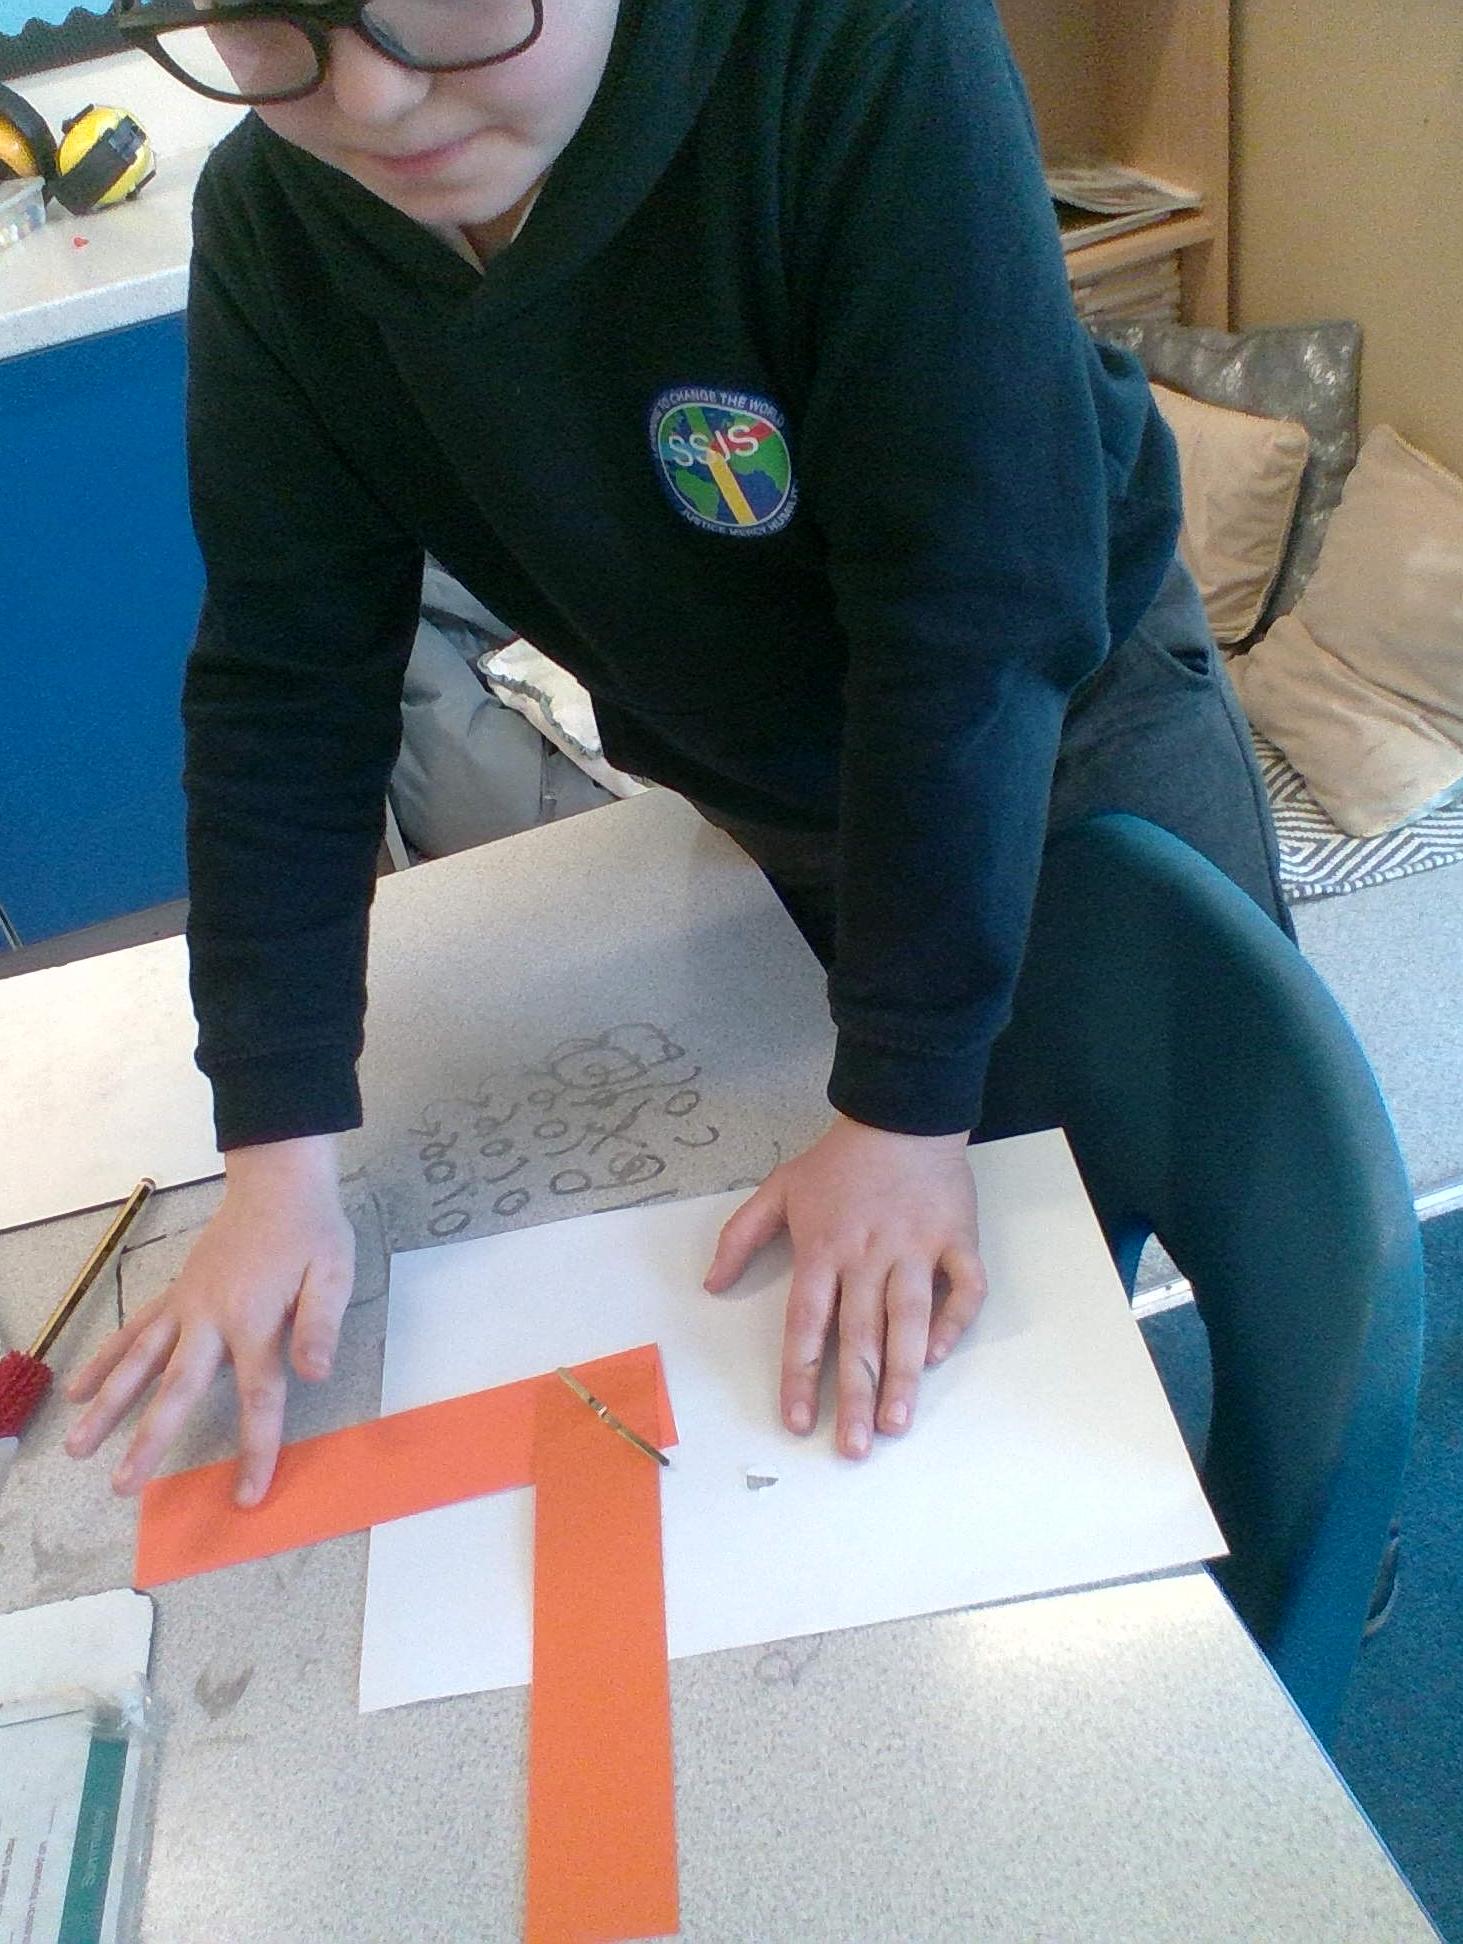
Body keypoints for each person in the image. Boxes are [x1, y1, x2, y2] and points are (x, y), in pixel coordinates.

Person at [66, 0, 1292, 1505]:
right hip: (768, 776)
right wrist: (277, 1152)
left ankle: (1302, 1527)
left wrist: (900, 1104)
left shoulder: (863, 46)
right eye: (269, 21)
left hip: (1068, 716)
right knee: (962, 1296)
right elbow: (286, 685)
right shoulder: (277, 217)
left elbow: (973, 615)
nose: (374, 99)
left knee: (1210, 1178)